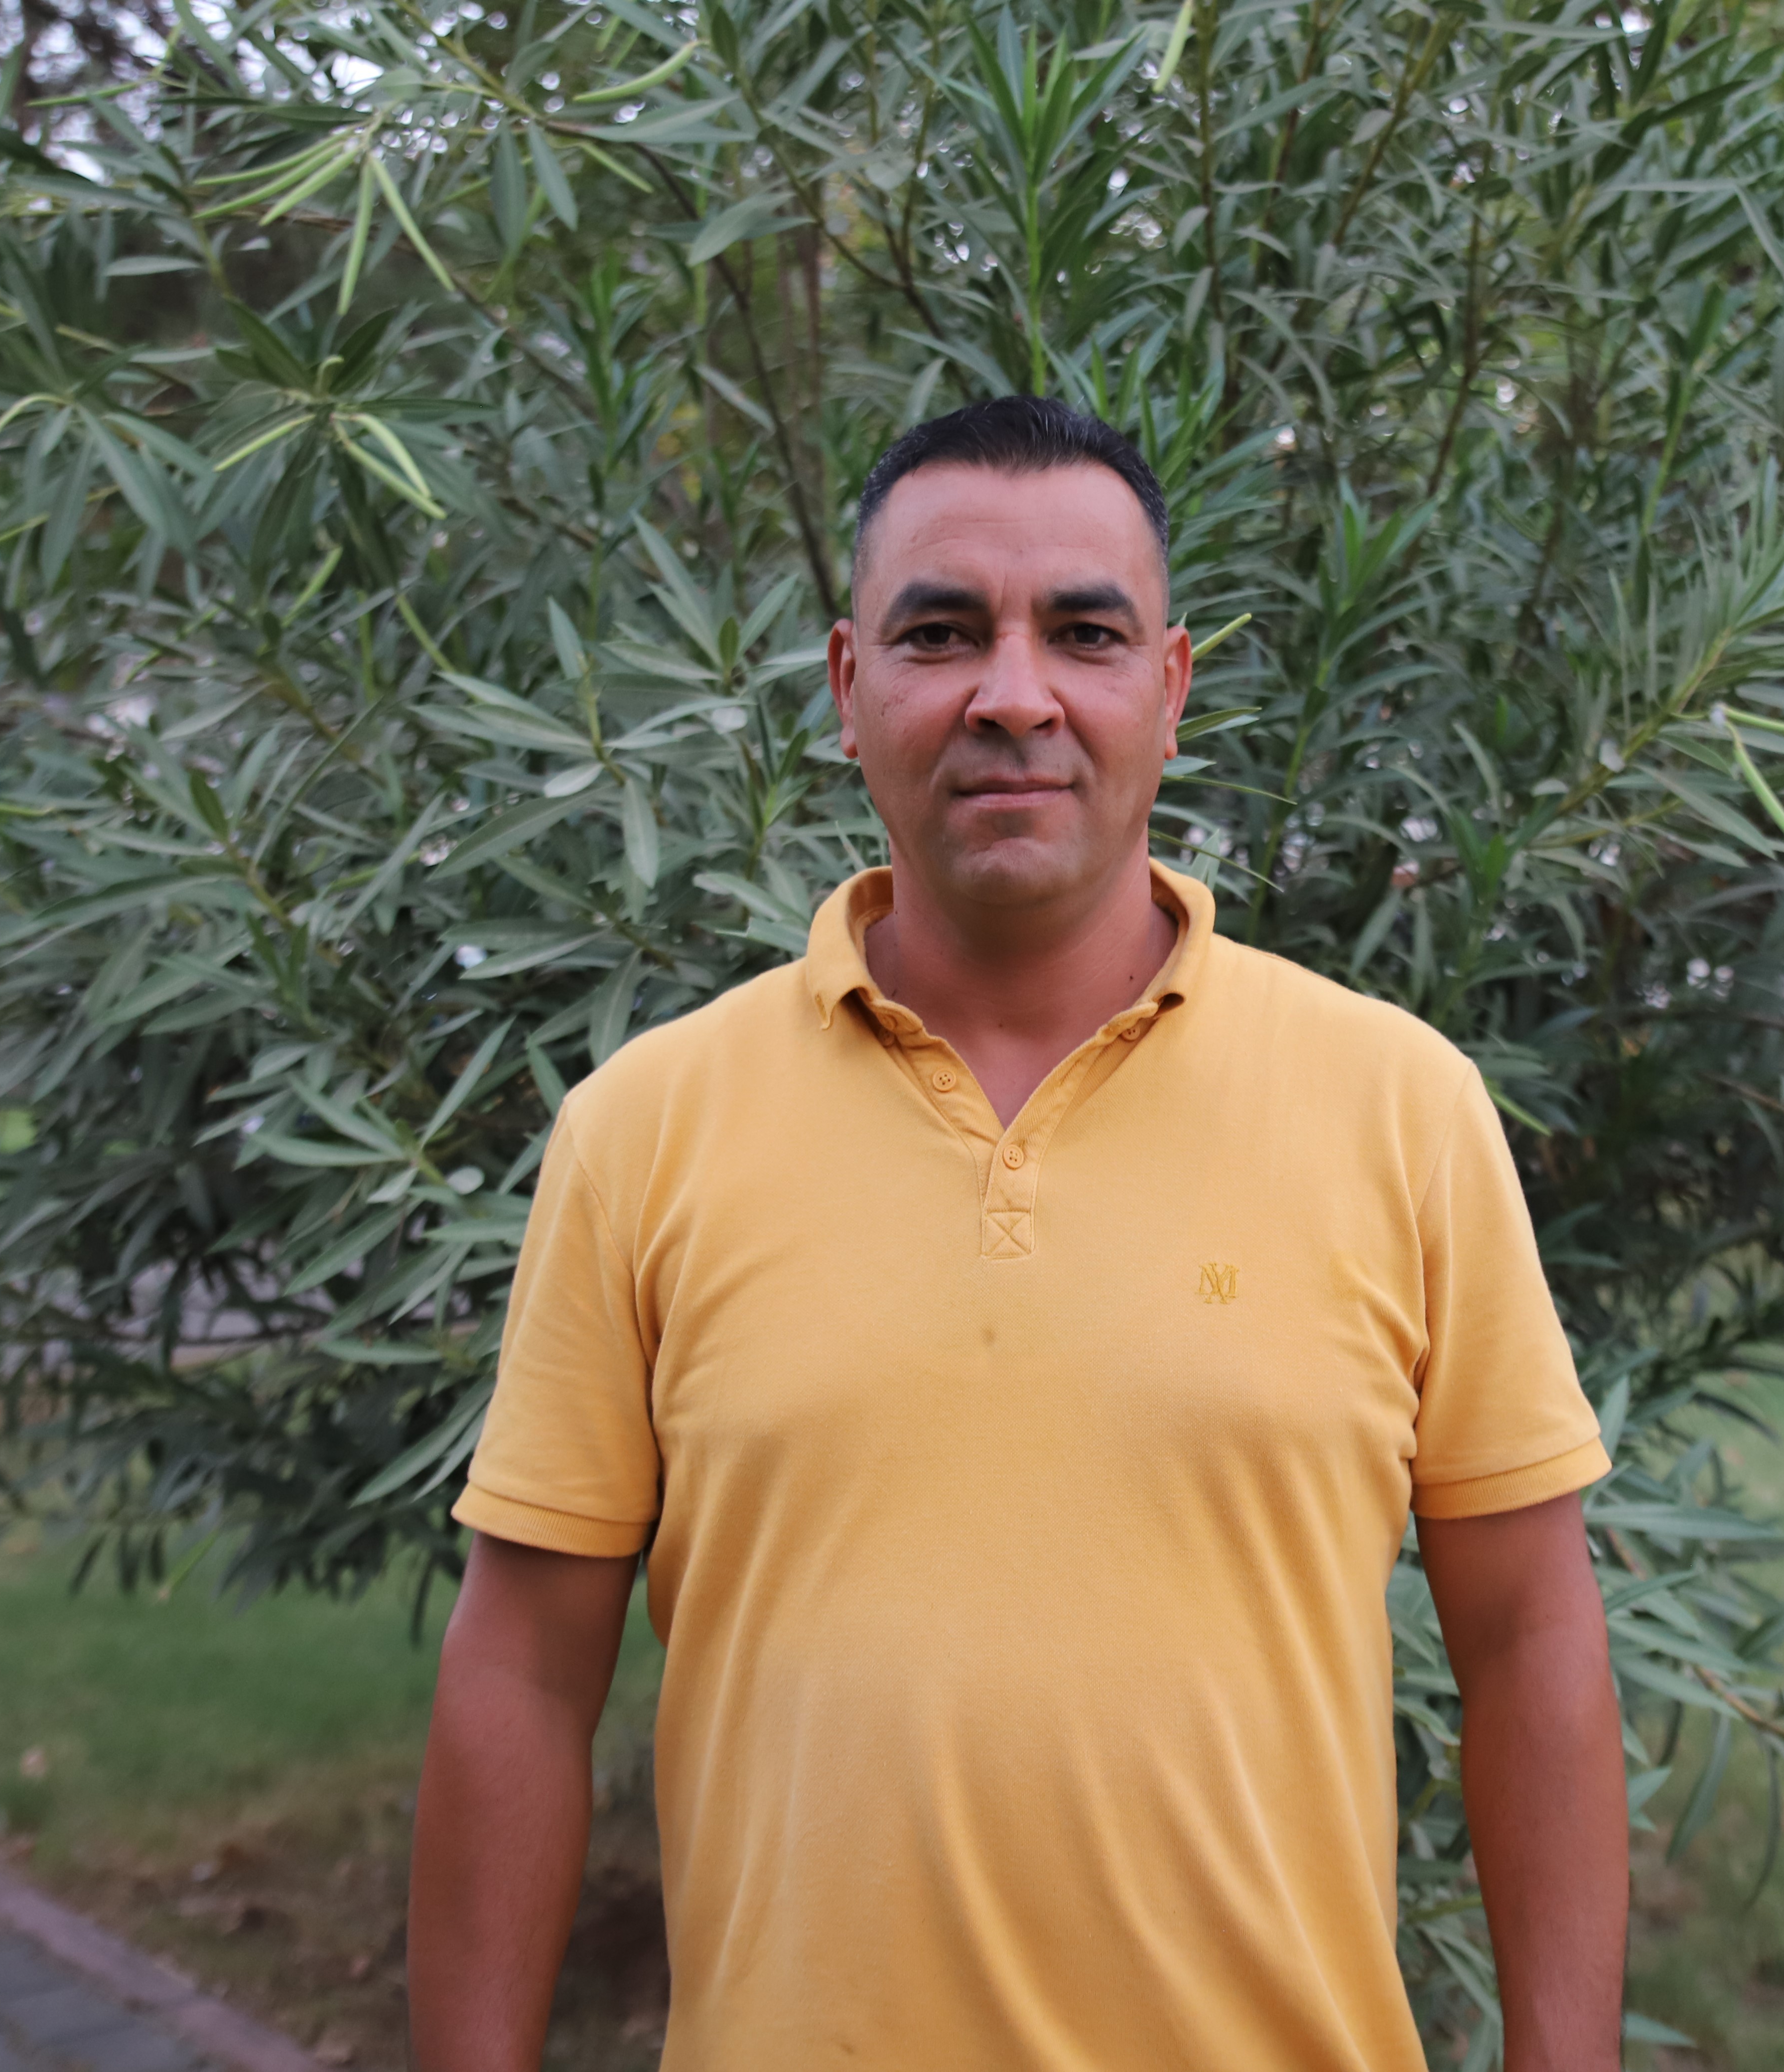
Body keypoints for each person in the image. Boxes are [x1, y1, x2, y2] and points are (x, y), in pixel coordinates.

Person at [407, 395, 1628, 2072]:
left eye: (1085, 633)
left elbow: (1533, 1640)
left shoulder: (1399, 1109)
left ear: (1172, 691)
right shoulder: (646, 1131)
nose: (1014, 694)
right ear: (848, 689)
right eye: (940, 634)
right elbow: (525, 1680)